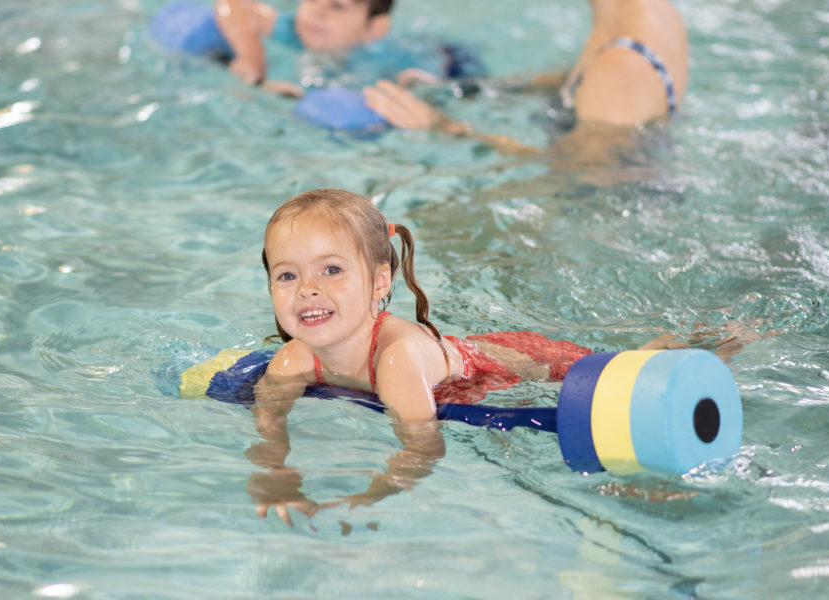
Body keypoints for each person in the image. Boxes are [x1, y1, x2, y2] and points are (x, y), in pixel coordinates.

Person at [248, 188, 601, 525]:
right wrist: (275, 472)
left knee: (601, 375)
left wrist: (371, 496)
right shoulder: (294, 358)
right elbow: (268, 419)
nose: (307, 288)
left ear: (380, 282)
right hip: (450, 357)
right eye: (287, 275)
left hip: (499, 365)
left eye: (332, 270)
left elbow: (423, 446)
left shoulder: (395, 358)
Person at [362, 0, 689, 164]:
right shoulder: (645, 13)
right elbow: (576, 81)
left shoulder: (623, 64)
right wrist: (463, 91)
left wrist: (443, 127)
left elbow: (572, 175)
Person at [213, 0, 451, 96]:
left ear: (374, 28)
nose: (318, 12)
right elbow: (235, 3)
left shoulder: (390, 62)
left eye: (337, 6)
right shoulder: (299, 32)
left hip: (452, 62)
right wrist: (250, 56)